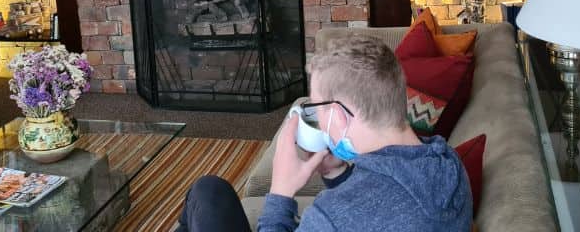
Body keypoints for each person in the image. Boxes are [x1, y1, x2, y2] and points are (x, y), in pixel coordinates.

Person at [176, 34, 473, 231]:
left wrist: (280, 193)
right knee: (210, 190)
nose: (315, 116)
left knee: (206, 191)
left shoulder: (332, 217)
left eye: (315, 107)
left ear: (338, 116)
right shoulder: (448, 162)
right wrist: (335, 173)